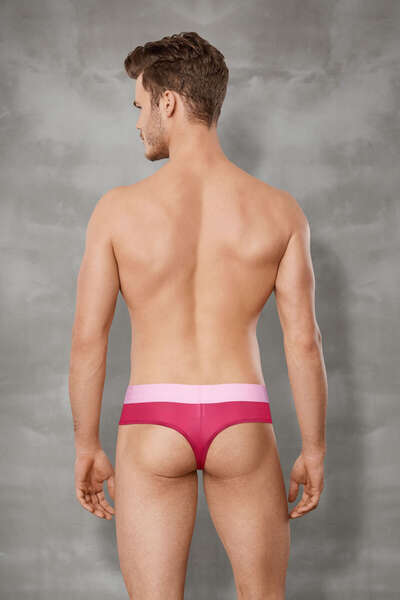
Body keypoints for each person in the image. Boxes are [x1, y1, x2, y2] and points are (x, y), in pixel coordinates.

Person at [69, 31, 327, 600]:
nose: (138, 123)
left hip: (152, 418)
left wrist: (87, 445)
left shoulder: (117, 211)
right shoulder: (280, 211)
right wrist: (314, 449)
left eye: (140, 106)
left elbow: (89, 339)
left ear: (168, 102)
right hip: (242, 418)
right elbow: (303, 342)